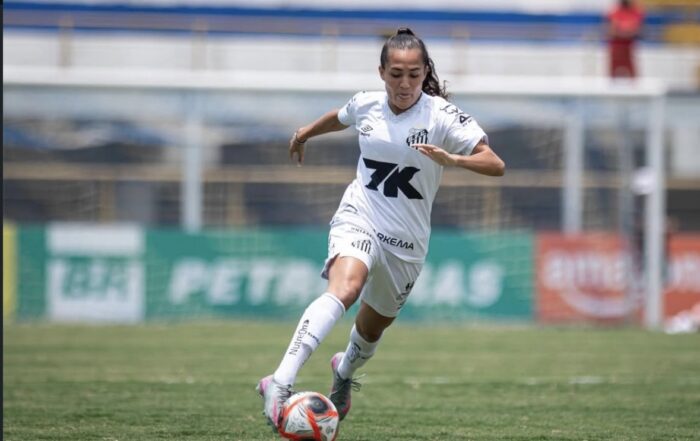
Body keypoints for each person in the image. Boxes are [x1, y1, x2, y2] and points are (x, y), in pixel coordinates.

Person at [256, 27, 505, 431]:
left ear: (425, 73)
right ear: (381, 73)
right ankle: (279, 383)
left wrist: (453, 160)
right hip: (361, 217)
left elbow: (495, 163)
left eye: (413, 74)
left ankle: (344, 371)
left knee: (372, 330)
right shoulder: (367, 104)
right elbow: (340, 117)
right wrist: (303, 133)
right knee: (345, 289)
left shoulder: (443, 116)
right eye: (396, 74)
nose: (405, 84)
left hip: (406, 242)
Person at [606, 0, 644, 78]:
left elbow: (637, 30)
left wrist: (623, 33)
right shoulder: (615, 12)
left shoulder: (636, 12)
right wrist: (627, 33)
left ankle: (634, 84)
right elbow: (612, 31)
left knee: (630, 67)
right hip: (616, 44)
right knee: (614, 67)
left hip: (629, 44)